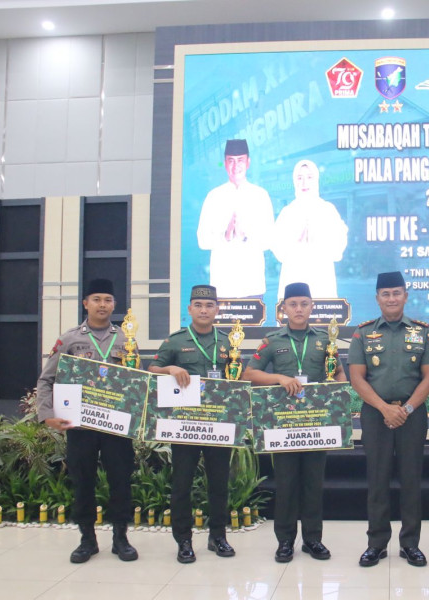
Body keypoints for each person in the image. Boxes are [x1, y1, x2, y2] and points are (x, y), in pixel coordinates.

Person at [242, 282, 347, 562]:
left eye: (304, 303)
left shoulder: (326, 340)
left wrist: (340, 390)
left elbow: (338, 374)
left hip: (316, 424)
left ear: (312, 306)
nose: (299, 309)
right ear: (284, 308)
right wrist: (279, 378)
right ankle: (285, 541)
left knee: (314, 483)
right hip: (284, 425)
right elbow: (248, 374)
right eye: (293, 304)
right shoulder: (272, 340)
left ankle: (313, 540)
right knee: (287, 484)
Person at [36, 278, 138, 564]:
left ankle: (121, 538)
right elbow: (47, 380)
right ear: (86, 304)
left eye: (107, 299)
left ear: (114, 305)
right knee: (83, 481)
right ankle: (87, 539)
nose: (102, 304)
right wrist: (47, 416)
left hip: (117, 426)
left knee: (121, 481)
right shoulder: (70, 339)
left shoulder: (125, 340)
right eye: (96, 299)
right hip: (80, 426)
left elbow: (137, 383)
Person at [348, 271, 429, 568]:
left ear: (405, 296)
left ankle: (410, 544)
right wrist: (385, 409)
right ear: (377, 298)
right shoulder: (362, 333)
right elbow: (357, 378)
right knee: (377, 480)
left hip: (412, 415)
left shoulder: (423, 332)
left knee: (411, 480)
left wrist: (407, 410)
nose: (391, 299)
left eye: (396, 293)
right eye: (385, 294)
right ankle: (376, 544)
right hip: (376, 415)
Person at [148, 285, 236, 564]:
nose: (203, 310)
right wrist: (170, 368)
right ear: (189, 309)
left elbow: (237, 375)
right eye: (198, 305)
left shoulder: (227, 343)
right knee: (182, 484)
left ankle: (218, 536)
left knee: (219, 483)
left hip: (218, 424)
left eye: (209, 305)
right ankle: (183, 540)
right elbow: (151, 370)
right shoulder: (175, 341)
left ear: (217, 310)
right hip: (184, 425)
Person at [197, 139, 275, 298]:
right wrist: (225, 235)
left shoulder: (260, 195)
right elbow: (202, 240)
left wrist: (244, 236)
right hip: (222, 286)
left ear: (248, 162)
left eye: (240, 160)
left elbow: (269, 240)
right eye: (231, 161)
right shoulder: (214, 197)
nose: (235, 165)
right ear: (225, 163)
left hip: (252, 285)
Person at [272, 160, 348, 298]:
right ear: (294, 181)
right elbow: (278, 251)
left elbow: (338, 250)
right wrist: (295, 243)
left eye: (309, 177)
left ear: (316, 180)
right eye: (299, 178)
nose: (304, 183)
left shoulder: (327, 210)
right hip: (293, 282)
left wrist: (319, 240)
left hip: (321, 284)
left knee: (323, 318)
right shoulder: (287, 212)